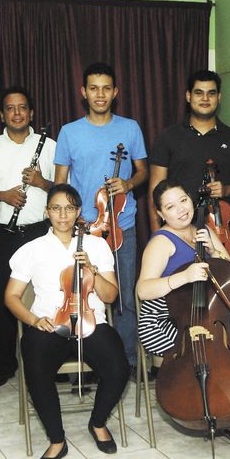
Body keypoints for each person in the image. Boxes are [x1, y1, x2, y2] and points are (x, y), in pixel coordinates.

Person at [4, 184, 129, 459]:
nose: (63, 215)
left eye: (70, 208)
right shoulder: (31, 250)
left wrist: (93, 271)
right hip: (49, 324)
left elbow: (110, 296)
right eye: (56, 208)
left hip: (91, 321)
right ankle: (57, 439)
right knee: (36, 366)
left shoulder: (97, 245)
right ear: (47, 212)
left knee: (119, 368)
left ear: (78, 212)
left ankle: (97, 422)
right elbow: (11, 297)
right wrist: (34, 320)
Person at [136, 179, 230, 450]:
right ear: (160, 214)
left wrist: (215, 250)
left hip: (208, 310)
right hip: (166, 317)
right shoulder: (161, 242)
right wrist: (183, 277)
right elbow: (143, 290)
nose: (180, 209)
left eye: (183, 200)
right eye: (170, 206)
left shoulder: (203, 229)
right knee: (201, 346)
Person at [54, 62, 147, 372]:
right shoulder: (69, 132)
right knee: (80, 293)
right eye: (93, 88)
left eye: (106, 88)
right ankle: (83, 359)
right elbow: (60, 184)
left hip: (123, 225)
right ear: (83, 92)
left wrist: (128, 183)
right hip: (84, 228)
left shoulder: (130, 127)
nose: (100, 94)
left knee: (123, 299)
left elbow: (143, 170)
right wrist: (71, 217)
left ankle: (128, 363)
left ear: (115, 92)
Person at [0, 86, 55, 387]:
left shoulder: (49, 145)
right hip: (3, 234)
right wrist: (3, 195)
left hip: (40, 232)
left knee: (46, 297)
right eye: (10, 108)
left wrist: (40, 182)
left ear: (31, 113)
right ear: (2, 114)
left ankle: (46, 359)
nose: (17, 113)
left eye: (22, 107)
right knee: (2, 301)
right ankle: (2, 365)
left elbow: (64, 191)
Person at [147, 70, 230, 238]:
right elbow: (155, 191)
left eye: (211, 93)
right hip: (177, 233)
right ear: (188, 96)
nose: (205, 99)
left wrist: (226, 190)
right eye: (199, 93)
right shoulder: (168, 137)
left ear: (219, 98)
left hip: (221, 231)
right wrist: (158, 236)